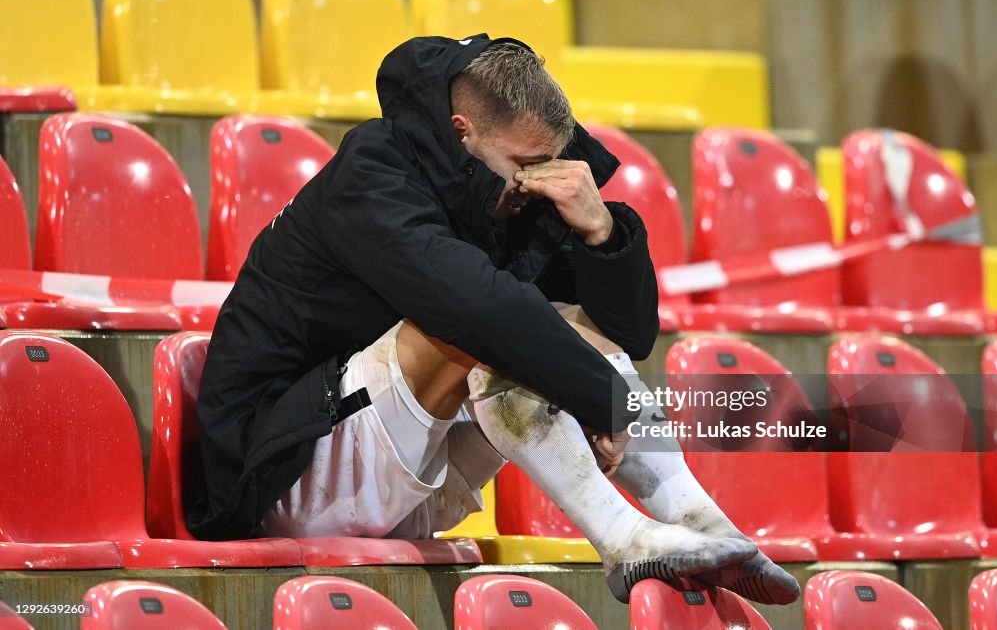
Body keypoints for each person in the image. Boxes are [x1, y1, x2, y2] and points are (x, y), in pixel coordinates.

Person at [189, 33, 799, 605]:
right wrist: (603, 400)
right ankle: (622, 540)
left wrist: (601, 231)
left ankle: (701, 522)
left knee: (567, 323)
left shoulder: (503, 187)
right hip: (284, 470)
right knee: (473, 327)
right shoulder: (372, 170)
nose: (537, 178)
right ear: (463, 131)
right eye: (526, 162)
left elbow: (629, 336)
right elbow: (473, 309)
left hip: (409, 477)